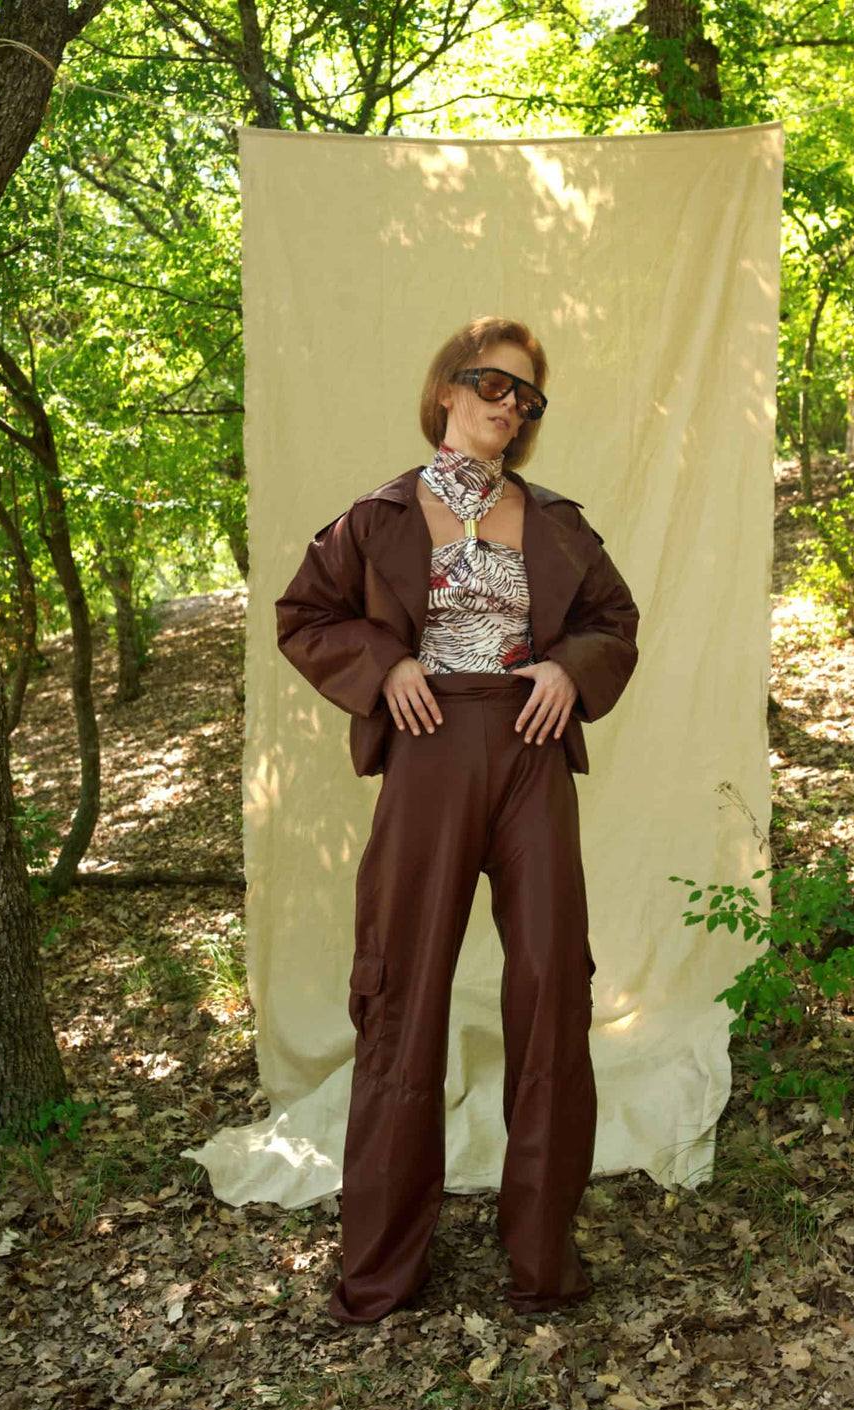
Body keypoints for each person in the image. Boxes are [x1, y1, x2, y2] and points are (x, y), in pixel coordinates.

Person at [275, 316, 640, 1324]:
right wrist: (383, 664)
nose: (507, 403)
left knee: (550, 988)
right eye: (490, 382)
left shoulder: (557, 521)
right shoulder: (380, 516)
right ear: (446, 388)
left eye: (526, 395)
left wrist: (567, 667)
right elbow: (304, 614)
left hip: (529, 754)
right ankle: (383, 1272)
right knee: (403, 995)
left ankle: (542, 1262)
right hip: (429, 751)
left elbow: (615, 623)